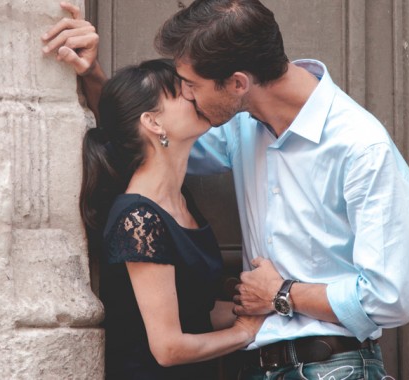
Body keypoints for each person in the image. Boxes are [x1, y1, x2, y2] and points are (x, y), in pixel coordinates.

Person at [43, 0, 409, 379]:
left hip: (333, 366)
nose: (188, 96)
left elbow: (391, 300)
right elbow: (150, 138)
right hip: (252, 366)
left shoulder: (363, 149)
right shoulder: (239, 128)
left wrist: (283, 292)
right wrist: (91, 72)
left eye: (191, 85)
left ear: (238, 83)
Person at [76, 56, 268, 378]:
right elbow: (168, 348)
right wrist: (245, 333)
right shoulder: (139, 219)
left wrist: (265, 307)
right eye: (182, 92)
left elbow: (196, 314)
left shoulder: (181, 201)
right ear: (153, 123)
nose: (195, 96)